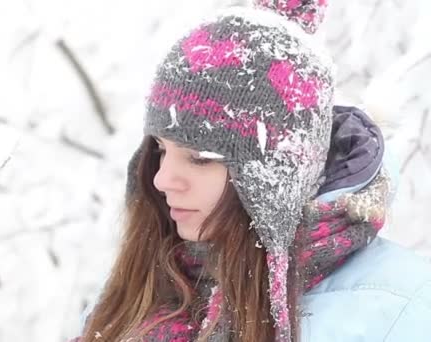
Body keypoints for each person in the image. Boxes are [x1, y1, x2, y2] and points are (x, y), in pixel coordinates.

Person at [70, 1, 431, 341]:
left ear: (275, 177)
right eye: (161, 151)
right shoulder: (138, 289)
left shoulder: (403, 307)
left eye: (199, 157)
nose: (161, 179)